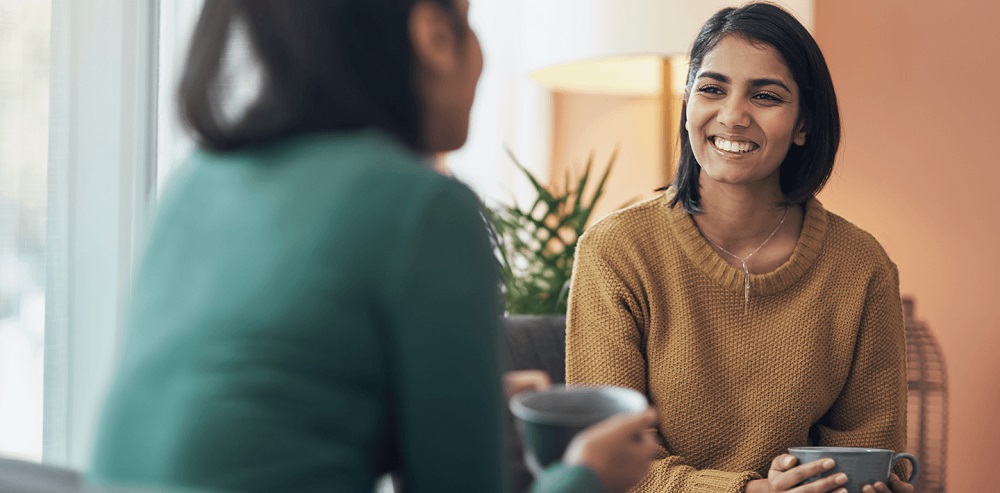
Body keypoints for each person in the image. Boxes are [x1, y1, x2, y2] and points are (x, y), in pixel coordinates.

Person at [86, 1, 659, 492]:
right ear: (434, 36)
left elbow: (259, 413)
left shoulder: (200, 179)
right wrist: (586, 475)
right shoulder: (423, 207)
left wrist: (471, 400)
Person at [565, 4, 912, 493]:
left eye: (766, 96)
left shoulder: (862, 268)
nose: (732, 115)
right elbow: (606, 462)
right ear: (687, 101)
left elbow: (875, 451)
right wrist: (750, 491)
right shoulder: (616, 252)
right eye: (711, 89)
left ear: (804, 125)